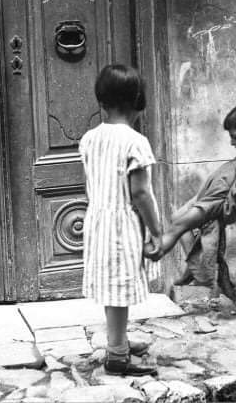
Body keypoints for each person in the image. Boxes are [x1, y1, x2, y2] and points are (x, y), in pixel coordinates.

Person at [146, 101, 236, 300]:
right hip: (217, 193)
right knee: (176, 216)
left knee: (180, 225)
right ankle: (197, 266)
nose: (232, 143)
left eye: (235, 137)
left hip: (224, 204)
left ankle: (154, 250)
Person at [79, 64, 163, 376]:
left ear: (102, 100)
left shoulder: (89, 139)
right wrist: (156, 230)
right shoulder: (135, 141)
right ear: (137, 100)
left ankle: (119, 340)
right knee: (117, 288)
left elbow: (92, 182)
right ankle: (116, 355)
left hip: (98, 221)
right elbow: (140, 193)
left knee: (113, 288)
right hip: (122, 225)